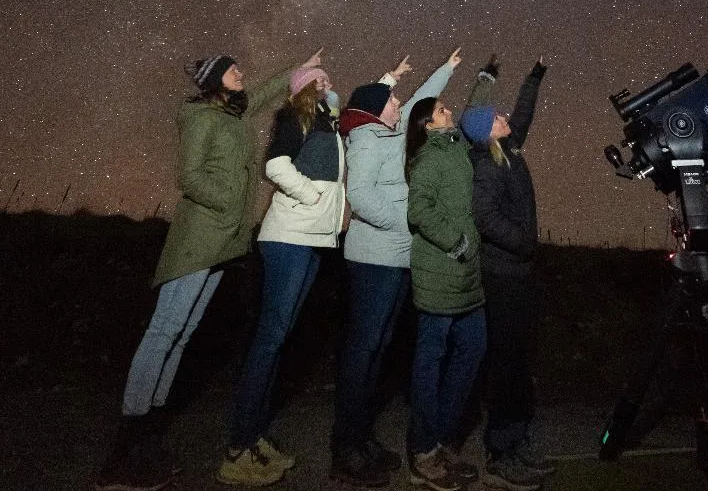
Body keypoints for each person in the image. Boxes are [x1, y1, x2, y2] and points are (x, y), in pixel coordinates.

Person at [94, 51, 307, 491]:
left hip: (222, 240)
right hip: (200, 238)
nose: (241, 74)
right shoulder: (199, 118)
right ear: (215, 81)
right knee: (163, 331)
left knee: (182, 335)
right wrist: (231, 206)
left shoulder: (231, 112)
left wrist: (297, 69)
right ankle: (122, 452)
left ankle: (148, 439)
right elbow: (189, 177)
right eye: (233, 71)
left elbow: (262, 94)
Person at [330, 48, 463, 486]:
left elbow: (417, 101)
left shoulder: (391, 133)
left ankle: (362, 437)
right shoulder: (367, 139)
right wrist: (400, 222)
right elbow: (361, 195)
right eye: (389, 101)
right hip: (373, 260)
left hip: (396, 258)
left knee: (379, 351)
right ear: (374, 110)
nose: (397, 104)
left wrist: (443, 69)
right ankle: (344, 448)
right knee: (362, 350)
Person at [217, 58, 345, 486]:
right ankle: (238, 447)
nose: (328, 83)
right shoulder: (296, 115)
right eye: (320, 80)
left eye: (329, 79)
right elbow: (276, 165)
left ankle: (255, 436)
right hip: (289, 237)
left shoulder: (328, 123)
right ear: (305, 89)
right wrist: (310, 198)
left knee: (279, 338)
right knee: (270, 339)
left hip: (311, 241)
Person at [458, 58, 553, 491]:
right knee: (505, 364)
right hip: (503, 276)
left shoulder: (508, 152)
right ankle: (501, 453)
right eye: (495, 117)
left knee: (519, 362)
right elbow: (484, 216)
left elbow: (524, 115)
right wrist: (522, 241)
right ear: (484, 131)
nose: (504, 118)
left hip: (521, 273)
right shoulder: (487, 166)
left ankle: (516, 441)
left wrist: (534, 77)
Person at [405, 90, 487, 491]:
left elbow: (473, 107)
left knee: (473, 349)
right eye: (440, 110)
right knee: (430, 360)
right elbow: (419, 210)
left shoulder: (456, 147)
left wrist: (487, 79)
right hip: (441, 273)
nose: (449, 110)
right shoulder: (429, 158)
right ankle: (423, 449)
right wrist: (457, 243)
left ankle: (440, 435)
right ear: (427, 124)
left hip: (467, 277)